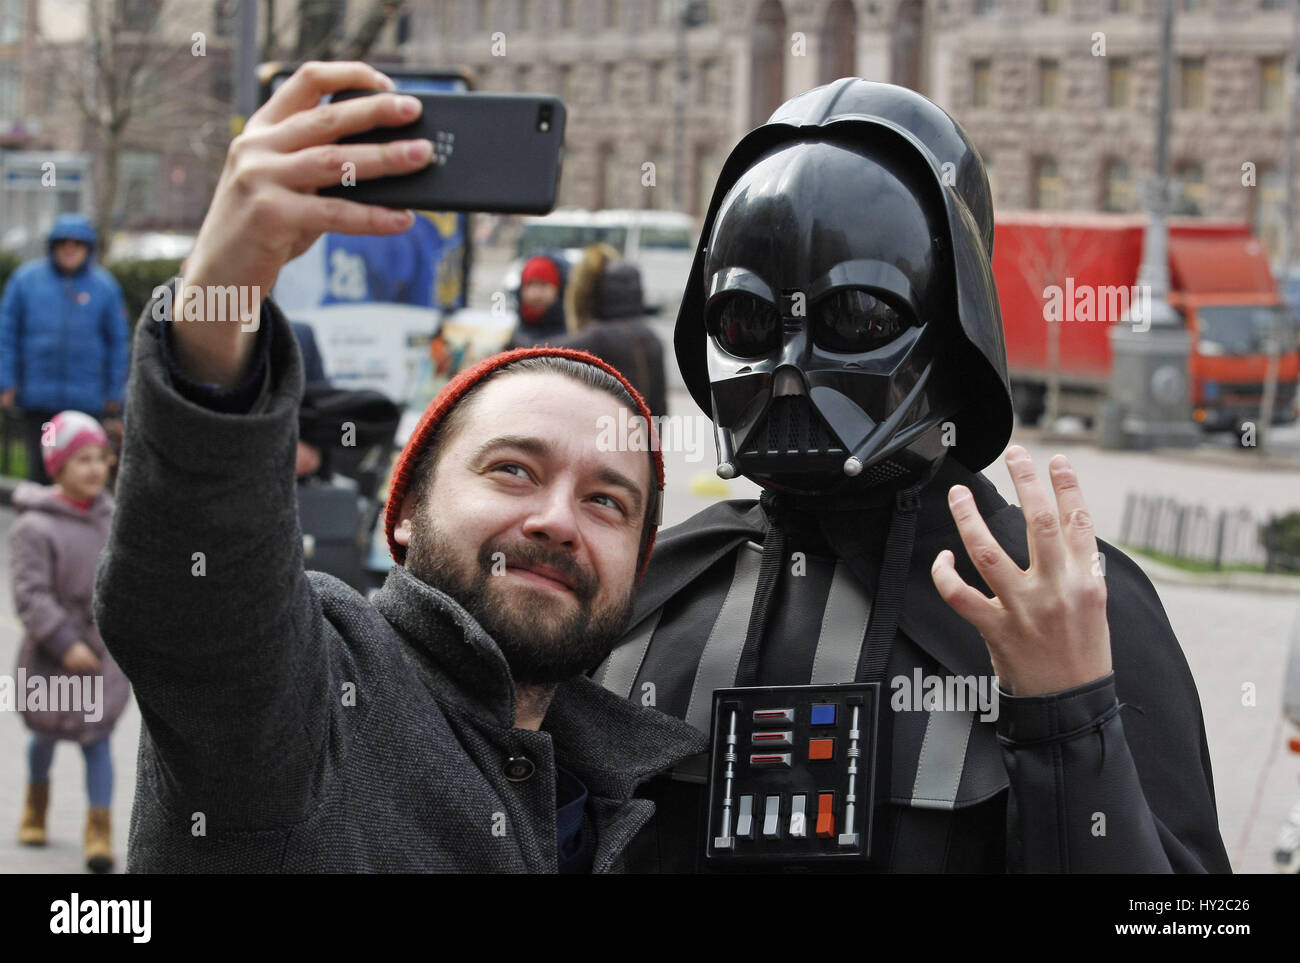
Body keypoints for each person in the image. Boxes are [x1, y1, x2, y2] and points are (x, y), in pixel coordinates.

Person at [594, 78, 1232, 873]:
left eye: (858, 316)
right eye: (749, 321)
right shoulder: (643, 589)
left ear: (954, 328)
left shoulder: (1072, 605)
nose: (789, 371)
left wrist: (1070, 724)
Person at [93, 61, 704, 873]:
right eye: (514, 470)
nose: (558, 519)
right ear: (406, 506)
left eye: (606, 501)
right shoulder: (308, 708)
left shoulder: (642, 799)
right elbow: (194, 603)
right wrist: (222, 293)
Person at [12, 410, 129, 871]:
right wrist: (63, 641)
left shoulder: (114, 520)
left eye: (101, 458)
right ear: (57, 466)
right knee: (44, 737)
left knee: (96, 740)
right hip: (52, 657)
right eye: (82, 459)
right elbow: (30, 594)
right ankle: (35, 805)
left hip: (101, 655)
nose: (96, 468)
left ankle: (98, 829)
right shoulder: (33, 527)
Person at [0, 214, 129, 484]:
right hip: (39, 400)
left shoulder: (105, 288)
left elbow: (118, 342)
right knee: (43, 466)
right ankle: (40, 523)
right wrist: (7, 382)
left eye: (77, 243)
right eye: (63, 243)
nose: (70, 248)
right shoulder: (26, 282)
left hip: (85, 401)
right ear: (53, 246)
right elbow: (7, 335)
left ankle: (77, 525)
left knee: (81, 466)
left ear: (87, 248)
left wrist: (114, 391)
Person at [513, 243, 668, 418]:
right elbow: (660, 409)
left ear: (591, 291)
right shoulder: (651, 337)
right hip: (639, 438)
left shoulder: (599, 337)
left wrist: (511, 337)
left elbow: (537, 353)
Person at [507, 253, 569, 346]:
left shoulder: (576, 337)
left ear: (559, 290)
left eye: (543, 284)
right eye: (530, 284)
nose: (535, 294)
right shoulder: (515, 338)